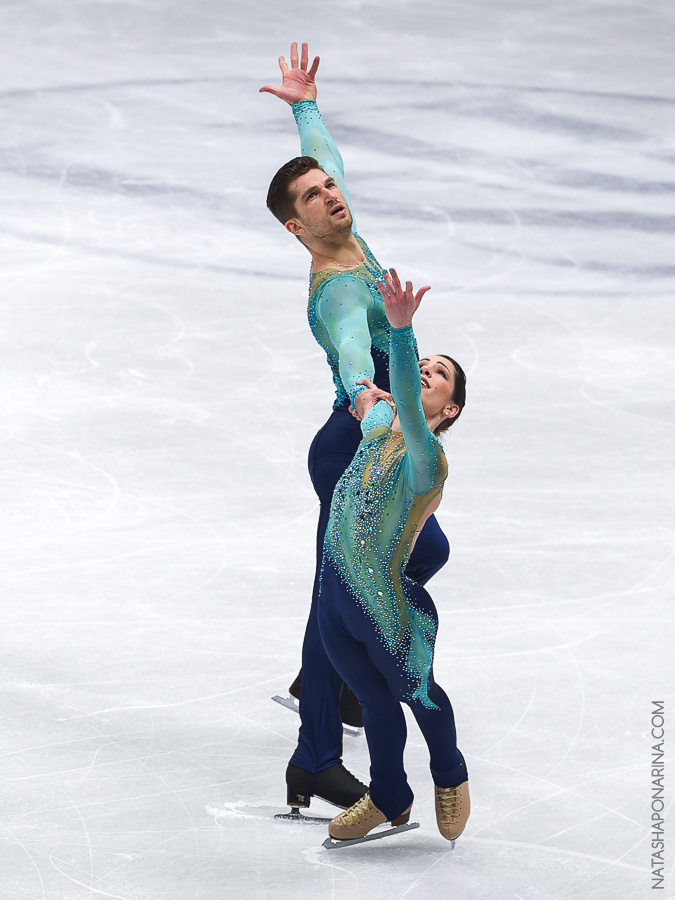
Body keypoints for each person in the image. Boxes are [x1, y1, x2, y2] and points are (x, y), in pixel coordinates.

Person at [260, 44, 450, 813]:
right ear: (294, 227)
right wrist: (368, 403)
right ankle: (313, 756)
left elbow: (322, 153)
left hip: (370, 443)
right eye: (313, 196)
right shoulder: (337, 288)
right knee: (337, 590)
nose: (331, 194)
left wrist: (305, 106)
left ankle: (327, 676)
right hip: (350, 449)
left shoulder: (345, 228)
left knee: (414, 551)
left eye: (330, 187)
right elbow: (347, 354)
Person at [321, 269, 470, 842]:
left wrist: (404, 335)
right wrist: (358, 384)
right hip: (335, 598)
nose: (427, 374)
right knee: (372, 702)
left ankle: (451, 775)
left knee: (418, 694)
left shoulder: (428, 461)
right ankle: (388, 794)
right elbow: (367, 384)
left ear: (451, 408)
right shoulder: (380, 425)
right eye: (425, 364)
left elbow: (405, 401)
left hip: (383, 607)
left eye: (441, 376)